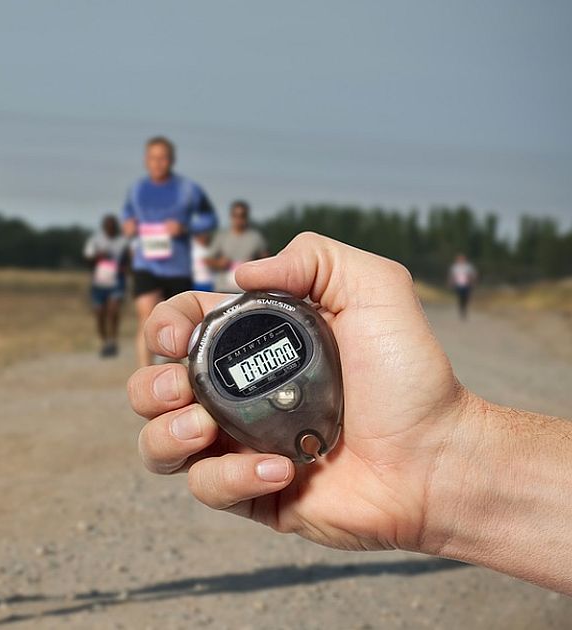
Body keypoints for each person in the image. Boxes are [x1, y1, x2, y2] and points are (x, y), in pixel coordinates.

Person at [127, 232, 572, 597]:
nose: (273, 378)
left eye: (273, 356)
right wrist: (440, 483)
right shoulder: (285, 321)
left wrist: (440, 463)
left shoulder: (293, 318)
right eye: (253, 368)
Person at [122, 136, 217, 367]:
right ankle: (146, 373)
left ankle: (172, 374)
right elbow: (127, 215)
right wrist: (128, 225)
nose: (158, 163)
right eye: (153, 158)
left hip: (177, 266)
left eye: (163, 158)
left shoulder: (188, 189)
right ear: (146, 161)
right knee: (146, 318)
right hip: (147, 263)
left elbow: (210, 219)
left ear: (171, 161)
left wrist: (185, 227)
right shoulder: (137, 190)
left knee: (175, 324)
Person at [83, 214, 129, 358]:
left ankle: (113, 340)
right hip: (100, 281)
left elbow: (129, 259)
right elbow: (87, 259)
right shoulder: (95, 240)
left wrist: (124, 267)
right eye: (107, 226)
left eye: (112, 226)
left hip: (117, 280)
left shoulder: (123, 241)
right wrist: (98, 256)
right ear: (103, 227)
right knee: (100, 313)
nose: (110, 229)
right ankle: (104, 341)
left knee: (113, 310)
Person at [206, 199, 268, 293]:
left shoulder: (256, 238)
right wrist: (219, 263)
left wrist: (254, 264)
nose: (239, 219)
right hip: (223, 288)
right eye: (236, 215)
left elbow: (266, 260)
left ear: (247, 217)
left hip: (247, 290)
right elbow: (208, 260)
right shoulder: (221, 236)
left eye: (242, 216)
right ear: (231, 216)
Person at [190, 212, 218, 293]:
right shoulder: (190, 245)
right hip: (195, 284)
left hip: (211, 284)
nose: (205, 234)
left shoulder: (214, 244)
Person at [448, 253, 478, 320]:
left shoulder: (468, 266)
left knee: (466, 298)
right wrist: (451, 283)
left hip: (467, 285)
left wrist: (473, 282)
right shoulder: (455, 267)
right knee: (460, 297)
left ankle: (464, 308)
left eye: (462, 258)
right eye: (459, 258)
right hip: (458, 285)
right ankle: (462, 309)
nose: (461, 260)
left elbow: (473, 275)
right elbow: (452, 276)